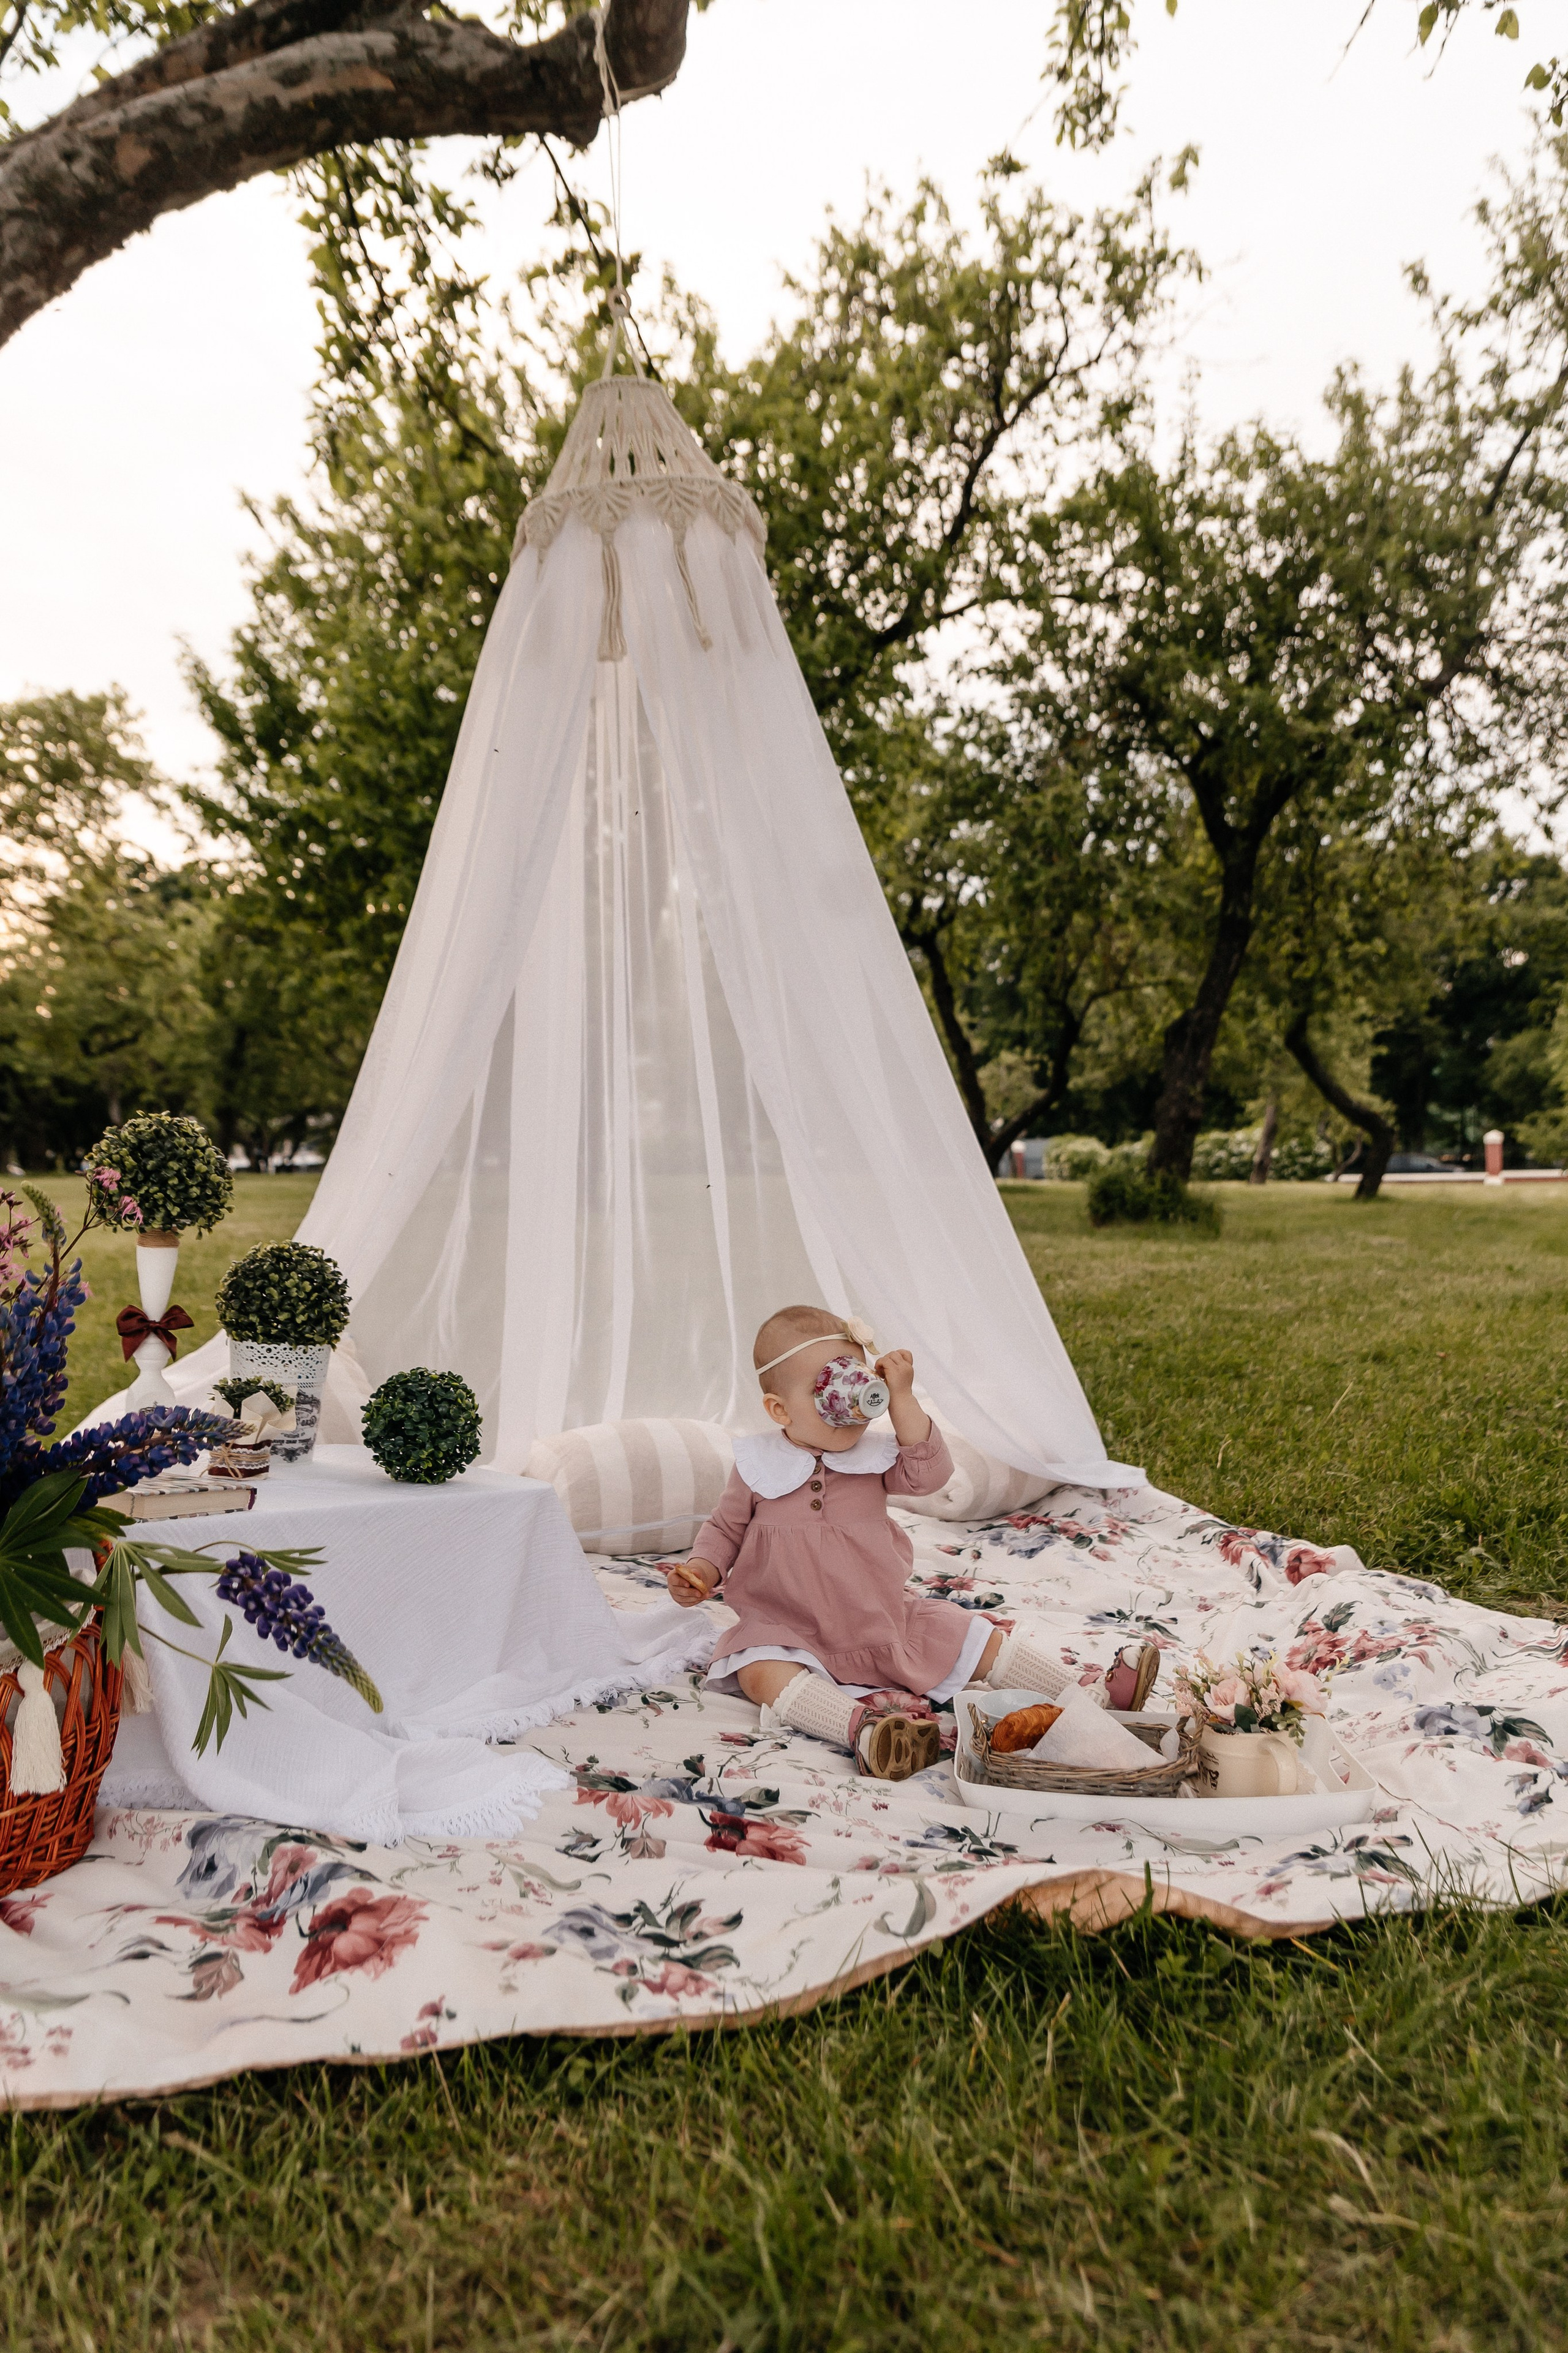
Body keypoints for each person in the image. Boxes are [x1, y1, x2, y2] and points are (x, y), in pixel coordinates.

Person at [666, 1304, 1159, 1780]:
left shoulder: (875, 1456)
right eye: (829, 1391)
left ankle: (1090, 1695)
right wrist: (703, 1570)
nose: (851, 1405)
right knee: (758, 1670)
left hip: (879, 1620)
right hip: (787, 1628)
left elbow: (932, 1473)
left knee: (970, 1633)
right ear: (779, 1410)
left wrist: (900, 1396)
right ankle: (863, 1731)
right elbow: (725, 1530)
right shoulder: (756, 1465)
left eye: (858, 1382)